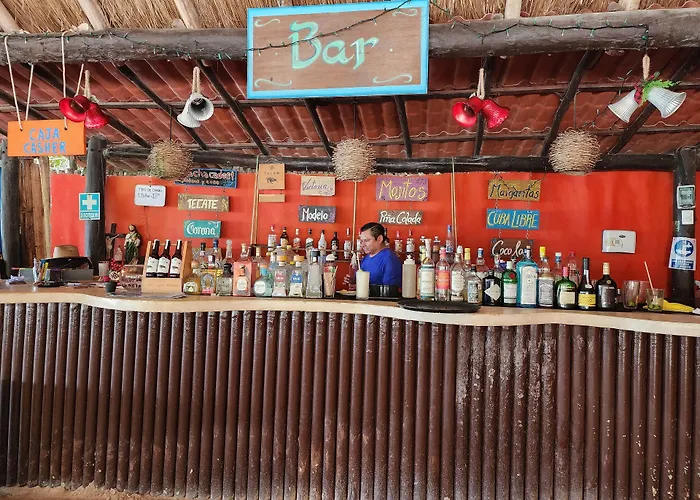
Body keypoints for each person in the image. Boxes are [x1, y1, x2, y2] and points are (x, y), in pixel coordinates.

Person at [354, 222, 402, 286]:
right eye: (361, 241)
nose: (362, 245)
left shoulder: (389, 259)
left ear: (379, 239)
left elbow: (390, 289)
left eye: (366, 240)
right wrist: (353, 281)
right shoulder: (366, 258)